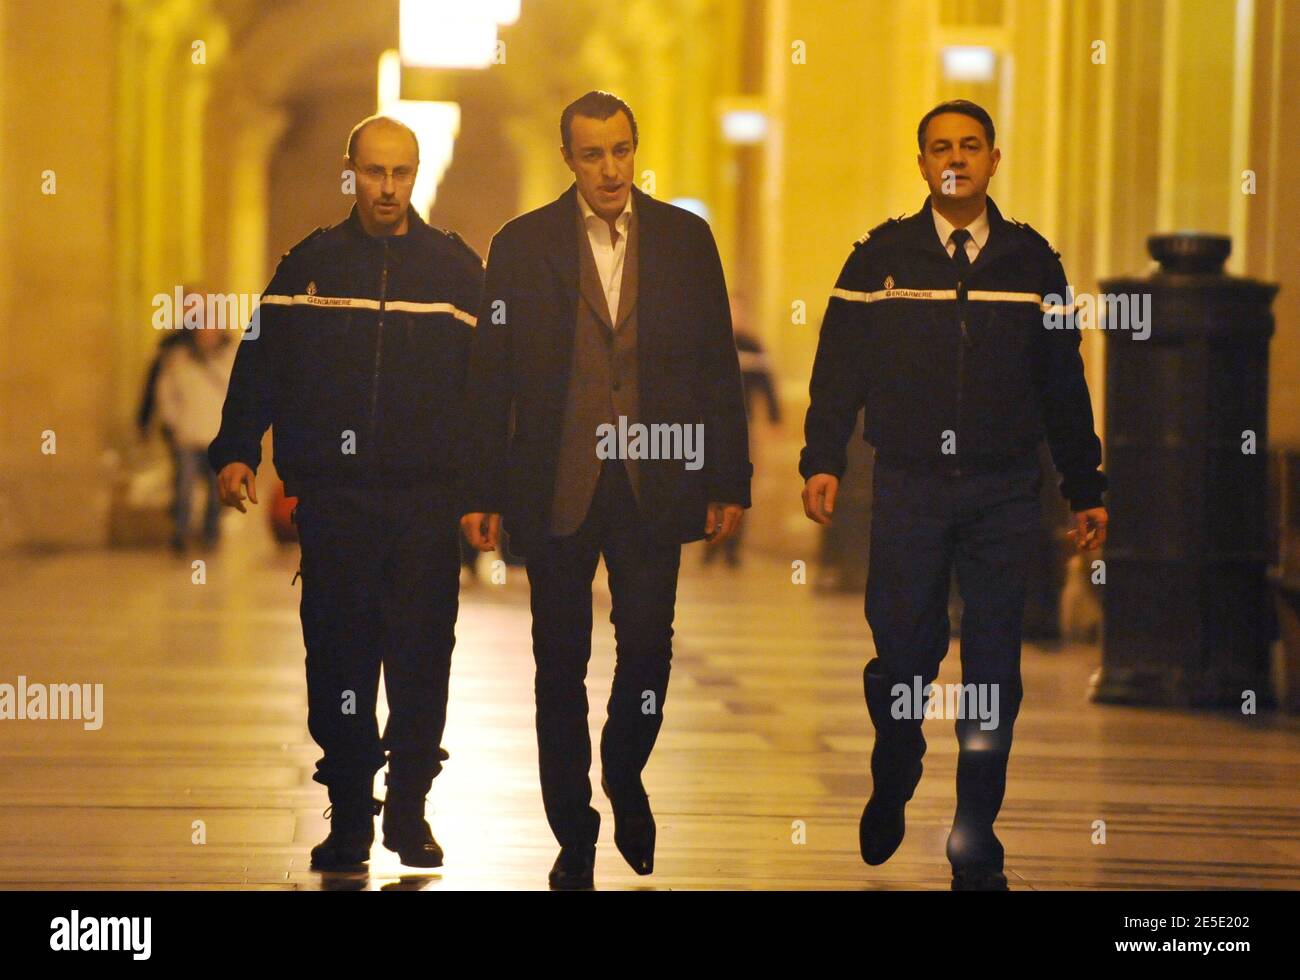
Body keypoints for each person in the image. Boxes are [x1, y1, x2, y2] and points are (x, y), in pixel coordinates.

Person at [799, 99, 1108, 891]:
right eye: (942, 147)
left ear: (995, 161)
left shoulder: (1032, 263)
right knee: (903, 654)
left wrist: (1085, 485)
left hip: (1006, 492)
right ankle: (897, 762)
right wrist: (821, 458)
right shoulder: (880, 260)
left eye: (971, 146)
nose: (957, 159)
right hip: (907, 487)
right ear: (922, 164)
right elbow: (838, 368)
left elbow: (1064, 382)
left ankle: (976, 839)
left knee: (994, 671)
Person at [459, 91, 752, 889]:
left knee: (649, 651)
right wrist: (479, 491)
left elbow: (716, 366)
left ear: (635, 149)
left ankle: (624, 770)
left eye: (621, 150)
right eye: (593, 154)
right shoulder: (519, 247)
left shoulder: (688, 242)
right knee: (559, 665)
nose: (610, 167)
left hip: (653, 480)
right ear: (569, 159)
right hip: (555, 483)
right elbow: (492, 378)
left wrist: (728, 478)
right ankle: (574, 831)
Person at [208, 115, 484, 872]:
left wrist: (487, 490)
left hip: (427, 502)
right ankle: (351, 815)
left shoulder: (459, 274)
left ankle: (409, 807)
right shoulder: (310, 266)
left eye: (400, 173)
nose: (387, 188)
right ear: (350, 171)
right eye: (373, 172)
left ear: (416, 173)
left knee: (423, 656)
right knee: (338, 657)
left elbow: (490, 393)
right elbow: (258, 362)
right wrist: (237, 449)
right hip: (334, 502)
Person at [155, 303, 235, 552]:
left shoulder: (230, 358)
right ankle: (180, 532)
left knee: (215, 489)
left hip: (217, 435)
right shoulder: (179, 358)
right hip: (187, 434)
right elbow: (166, 392)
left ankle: (211, 533)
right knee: (184, 485)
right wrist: (173, 421)